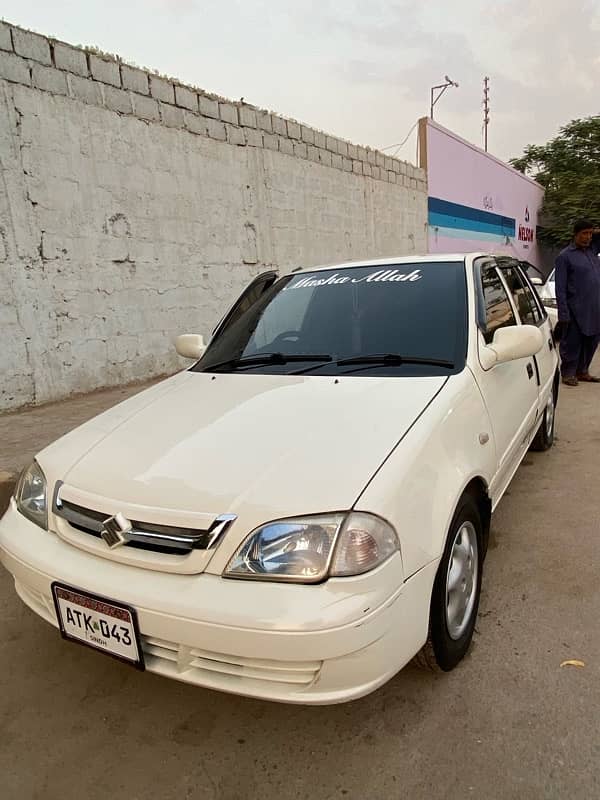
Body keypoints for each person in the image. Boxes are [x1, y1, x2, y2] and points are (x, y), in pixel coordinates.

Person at [554, 219, 600, 386]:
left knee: (592, 341)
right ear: (575, 235)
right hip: (575, 310)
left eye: (590, 233)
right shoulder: (565, 257)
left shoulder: (592, 251)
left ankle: (583, 371)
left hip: (594, 308)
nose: (587, 237)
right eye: (584, 234)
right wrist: (563, 313)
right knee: (572, 343)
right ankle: (568, 373)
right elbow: (560, 288)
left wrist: (594, 231)